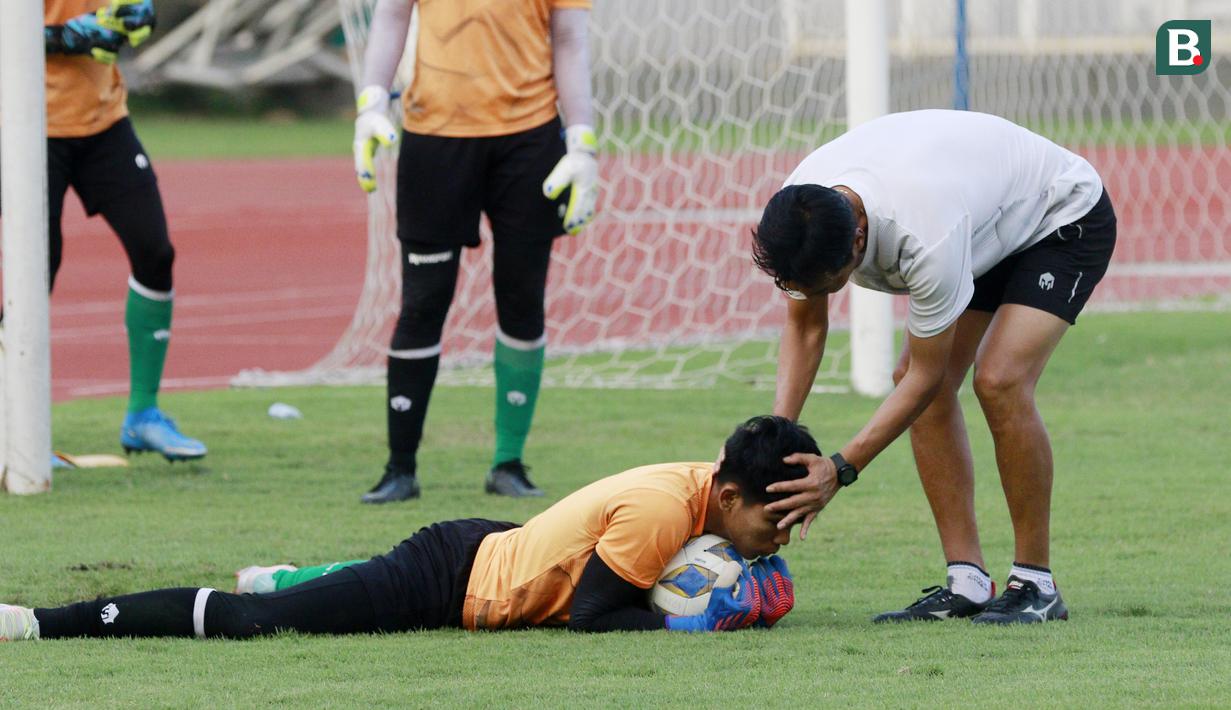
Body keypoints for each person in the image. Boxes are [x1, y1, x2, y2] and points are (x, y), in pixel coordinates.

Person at [751, 110, 1116, 624]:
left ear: (858, 241)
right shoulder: (801, 211)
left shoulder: (924, 235)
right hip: (981, 221)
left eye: (826, 285)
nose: (808, 296)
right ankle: (967, 580)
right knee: (926, 382)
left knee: (999, 380)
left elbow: (926, 378)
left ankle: (1036, 582)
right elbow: (807, 327)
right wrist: (777, 438)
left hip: (1057, 215)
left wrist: (839, 468)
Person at [0, 416, 806, 640]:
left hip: (486, 553)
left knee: (331, 593)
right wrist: (697, 624)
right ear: (730, 495)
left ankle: (285, 574)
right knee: (255, 626)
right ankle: (43, 622)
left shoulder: (702, 493)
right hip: (449, 579)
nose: (785, 531)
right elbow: (596, 616)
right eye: (777, 517)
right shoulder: (667, 509)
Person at [351, 0, 600, 503]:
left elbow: (569, 39)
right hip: (433, 137)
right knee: (423, 303)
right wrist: (371, 103)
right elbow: (392, 16)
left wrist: (582, 143)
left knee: (521, 299)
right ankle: (400, 467)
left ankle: (508, 462)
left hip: (529, 140)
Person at [1, 0, 206, 461]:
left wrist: (136, 18)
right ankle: (13, 428)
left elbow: (130, 12)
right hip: (25, 123)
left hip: (104, 122)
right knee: (34, 270)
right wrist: (63, 37)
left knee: (154, 252)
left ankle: (143, 416)